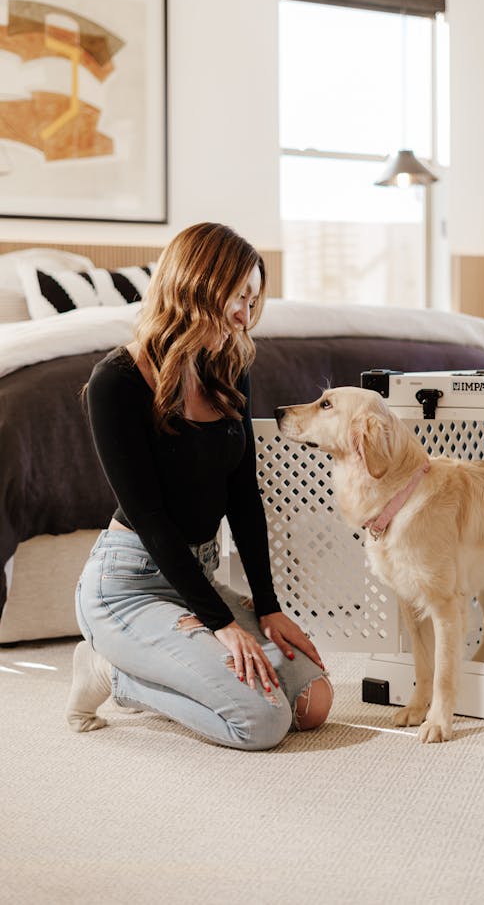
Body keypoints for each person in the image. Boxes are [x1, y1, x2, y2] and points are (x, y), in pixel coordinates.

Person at [65, 221, 333, 749]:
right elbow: (149, 516)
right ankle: (107, 671)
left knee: (313, 702)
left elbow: (243, 496)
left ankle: (164, 660)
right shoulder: (115, 380)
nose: (246, 314)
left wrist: (268, 605)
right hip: (129, 586)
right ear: (194, 284)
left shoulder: (230, 368)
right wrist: (219, 623)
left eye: (254, 299)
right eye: (237, 296)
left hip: (198, 575)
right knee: (261, 722)